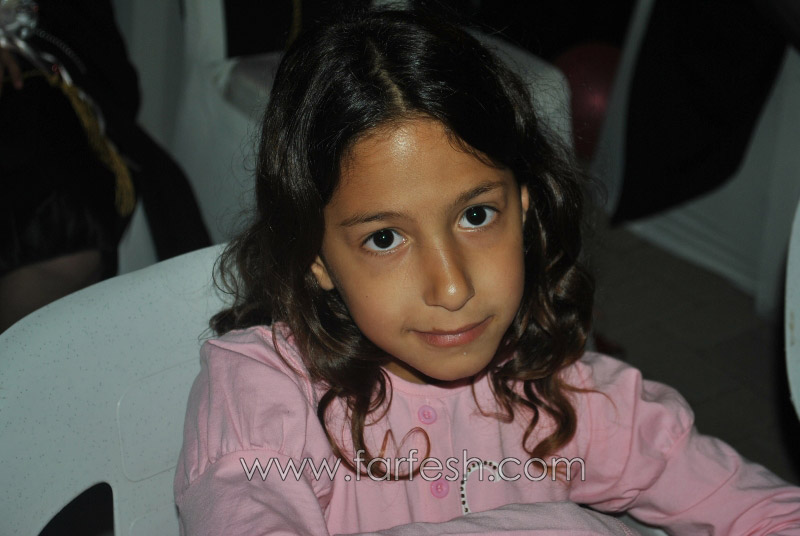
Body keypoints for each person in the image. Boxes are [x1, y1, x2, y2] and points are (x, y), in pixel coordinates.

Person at [174, 8, 800, 534]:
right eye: (385, 238)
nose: (453, 287)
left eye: (476, 216)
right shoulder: (262, 391)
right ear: (317, 259)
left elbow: (765, 511)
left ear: (522, 210)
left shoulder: (563, 391)